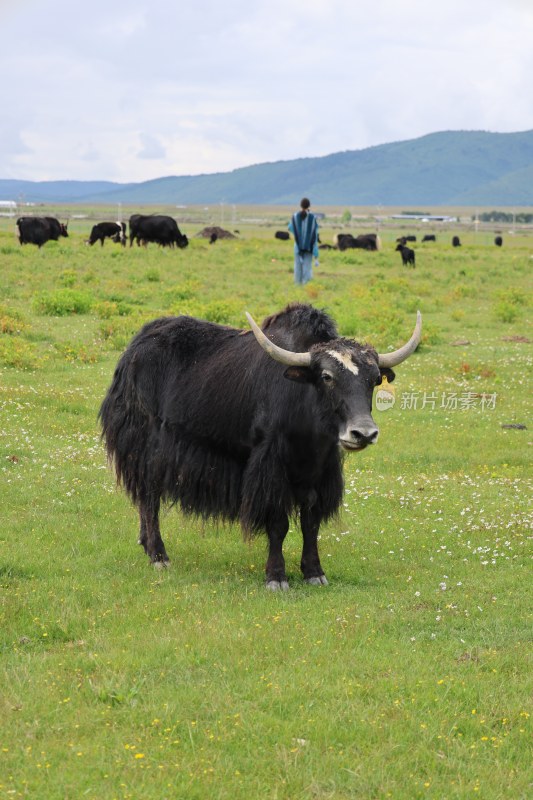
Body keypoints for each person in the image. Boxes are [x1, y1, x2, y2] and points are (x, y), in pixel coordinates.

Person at [288, 197, 319, 285]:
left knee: (297, 267)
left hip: (297, 247)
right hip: (309, 247)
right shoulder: (312, 218)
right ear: (309, 206)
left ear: (300, 205)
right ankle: (306, 286)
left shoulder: (295, 216)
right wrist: (316, 254)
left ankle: (297, 286)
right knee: (307, 268)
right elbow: (315, 233)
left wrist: (299, 235)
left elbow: (290, 227)